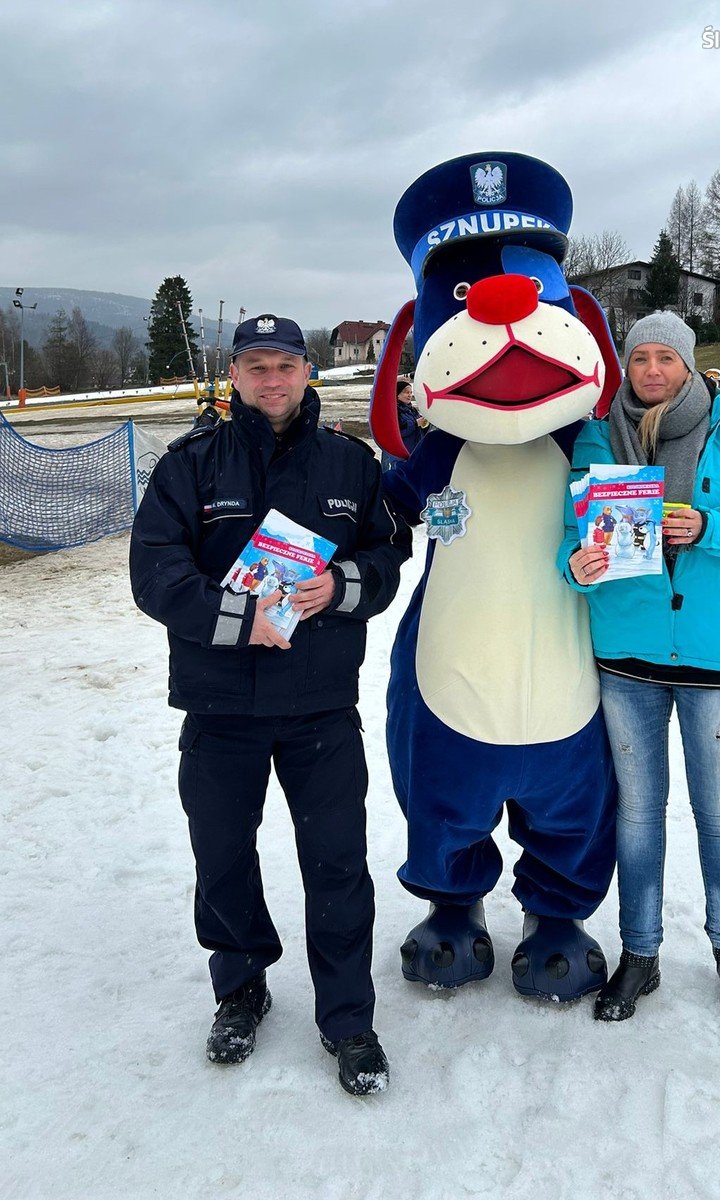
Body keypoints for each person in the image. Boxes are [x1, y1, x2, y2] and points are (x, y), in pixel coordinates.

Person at [130, 314, 411, 1095]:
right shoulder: (190, 466)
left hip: (318, 706)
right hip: (218, 708)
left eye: (284, 365)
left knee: (337, 865)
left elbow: (389, 552)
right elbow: (155, 574)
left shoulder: (350, 466)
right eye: (255, 367)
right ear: (235, 377)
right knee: (221, 860)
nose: (272, 380)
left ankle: (349, 1019)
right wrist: (239, 620)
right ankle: (240, 988)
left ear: (307, 371)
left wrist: (341, 586)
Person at [558, 311, 720, 1025]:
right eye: (640, 358)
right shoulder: (600, 435)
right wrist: (577, 565)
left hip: (717, 655)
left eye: (666, 357)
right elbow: (573, 534)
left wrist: (709, 526)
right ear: (625, 366)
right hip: (627, 655)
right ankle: (640, 952)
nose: (652, 370)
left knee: (718, 813)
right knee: (638, 813)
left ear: (689, 365)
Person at [380, 377, 426, 471]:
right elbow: (397, 431)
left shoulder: (412, 410)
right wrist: (415, 424)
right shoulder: (394, 411)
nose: (409, 395)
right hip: (400, 456)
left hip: (414, 453)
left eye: (410, 392)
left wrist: (426, 423)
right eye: (406, 392)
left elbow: (420, 429)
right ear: (397, 394)